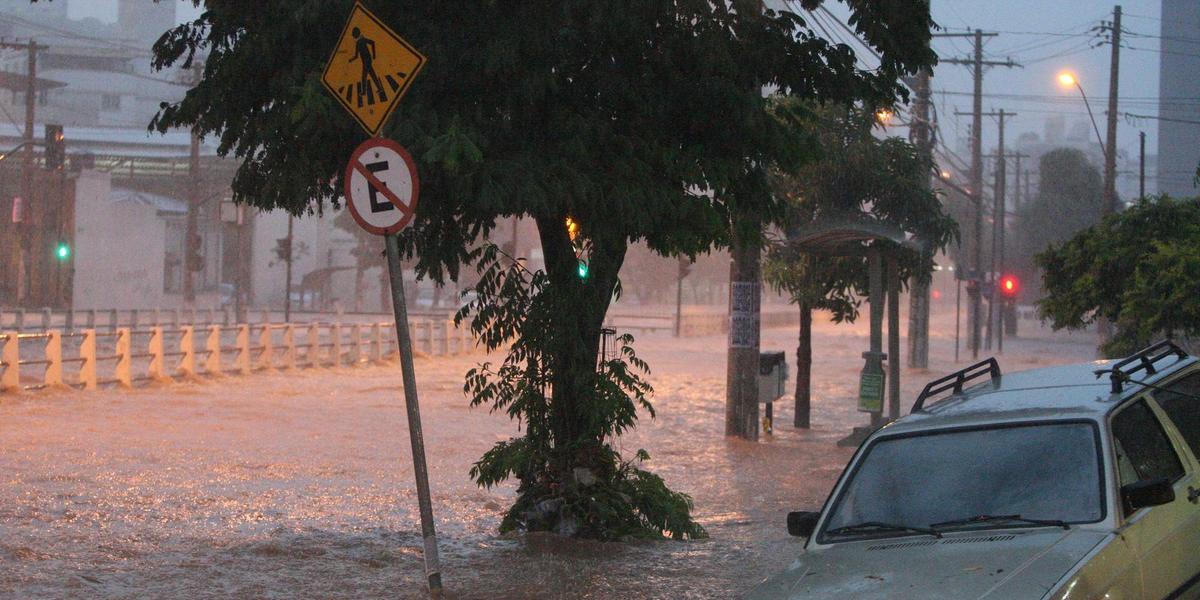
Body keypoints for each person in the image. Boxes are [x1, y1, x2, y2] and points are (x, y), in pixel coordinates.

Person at [349, 27, 386, 104]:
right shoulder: (358, 42)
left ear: (356, 34)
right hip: (366, 61)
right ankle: (379, 88)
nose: (353, 36)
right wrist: (350, 60)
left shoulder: (362, 40)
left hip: (367, 61)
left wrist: (374, 55)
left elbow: (373, 42)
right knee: (372, 75)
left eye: (353, 35)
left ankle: (364, 92)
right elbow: (356, 56)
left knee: (364, 76)